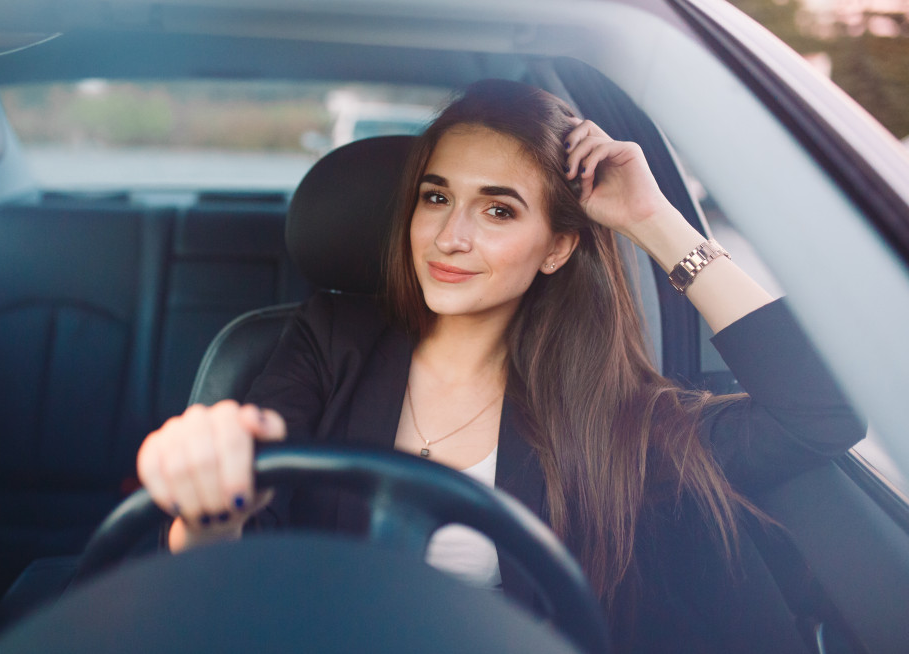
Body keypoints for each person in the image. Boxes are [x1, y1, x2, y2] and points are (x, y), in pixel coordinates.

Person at [136, 80, 863, 652]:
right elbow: (231, 551)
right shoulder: (332, 338)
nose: (450, 237)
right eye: (436, 198)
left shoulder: (607, 413)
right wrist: (205, 504)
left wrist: (654, 221)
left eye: (499, 211)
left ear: (556, 248)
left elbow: (821, 414)